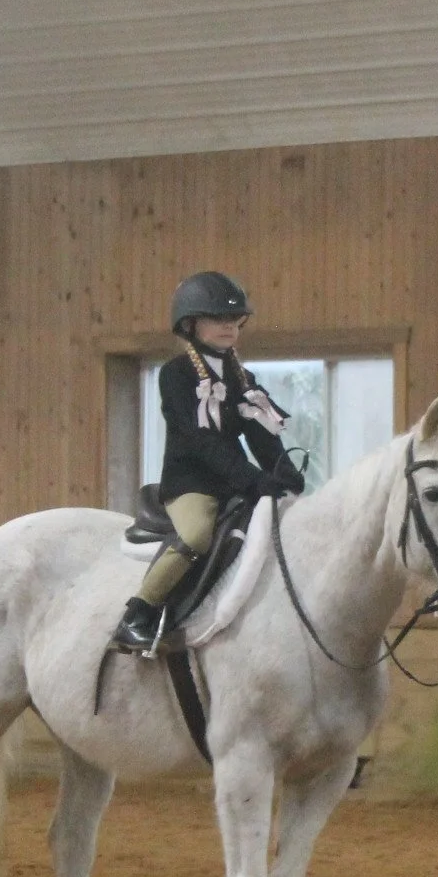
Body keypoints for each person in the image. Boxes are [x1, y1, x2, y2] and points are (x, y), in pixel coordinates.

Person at [111, 271, 304, 652]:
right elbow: (199, 441)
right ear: (190, 324)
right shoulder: (176, 375)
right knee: (197, 535)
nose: (229, 327)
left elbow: (260, 435)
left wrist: (285, 474)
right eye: (218, 319)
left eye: (234, 321)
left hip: (234, 482)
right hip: (191, 483)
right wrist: (252, 479)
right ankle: (137, 613)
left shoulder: (242, 377)